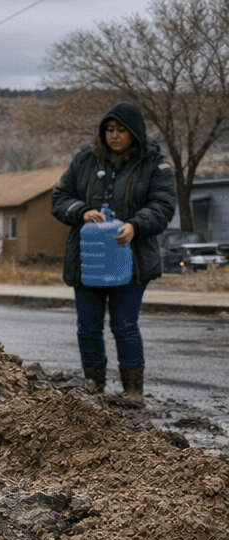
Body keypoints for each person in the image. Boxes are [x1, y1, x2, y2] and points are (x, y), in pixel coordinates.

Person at [51, 101, 177, 407]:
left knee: (124, 325)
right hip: (88, 261)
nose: (115, 135)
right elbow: (60, 198)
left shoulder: (155, 165)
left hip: (132, 262)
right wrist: (81, 211)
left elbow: (163, 207)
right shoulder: (84, 160)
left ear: (135, 133)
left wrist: (135, 225)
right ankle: (94, 388)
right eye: (109, 129)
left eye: (121, 130)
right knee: (88, 326)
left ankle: (133, 391)